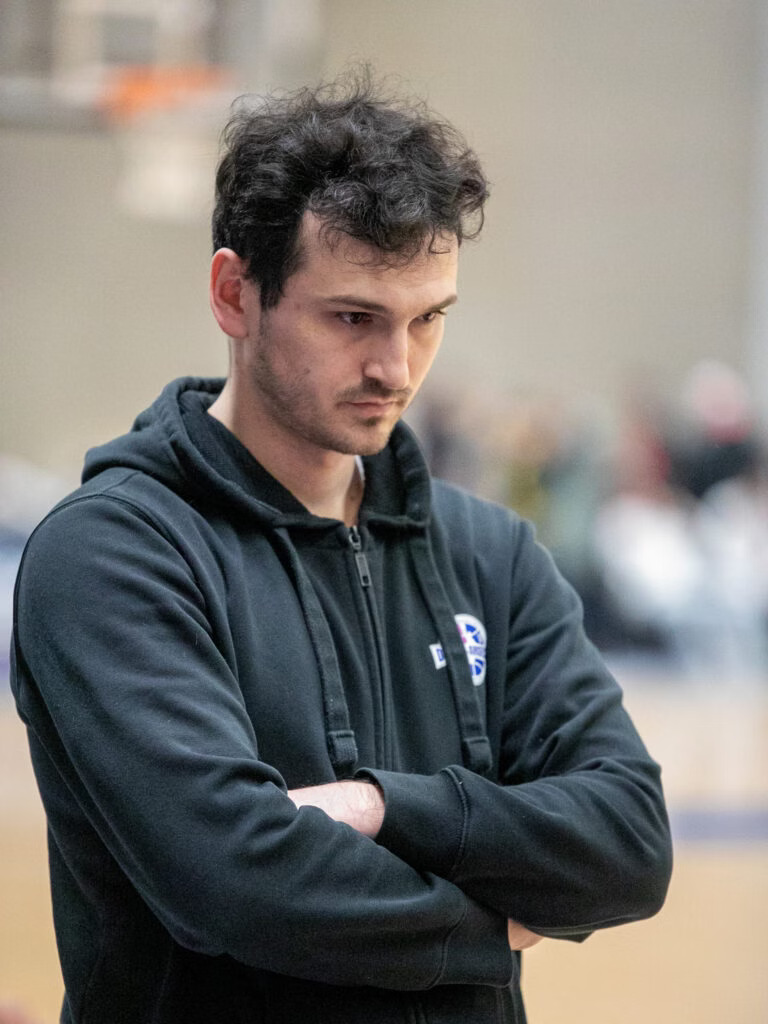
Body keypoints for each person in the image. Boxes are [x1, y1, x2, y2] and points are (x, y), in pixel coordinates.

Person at [10, 72, 672, 1024]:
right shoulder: (113, 554)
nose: (395, 368)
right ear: (235, 294)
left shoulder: (490, 553)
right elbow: (237, 881)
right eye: (354, 317)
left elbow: (630, 841)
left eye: (428, 318)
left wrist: (381, 807)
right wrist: (492, 927)